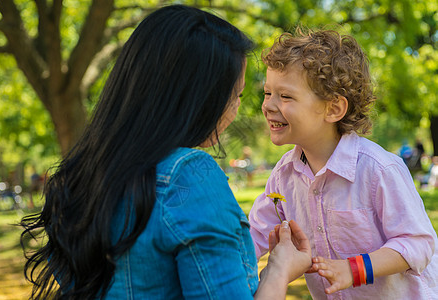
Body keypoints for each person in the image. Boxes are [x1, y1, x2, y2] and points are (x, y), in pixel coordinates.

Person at [20, 5, 312, 300]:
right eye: (235, 94)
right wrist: (279, 269)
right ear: (198, 97)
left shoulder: (81, 176)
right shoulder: (188, 177)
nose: (237, 107)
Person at [248, 27, 438, 299]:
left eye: (285, 96)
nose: (268, 105)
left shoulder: (378, 170)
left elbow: (418, 243)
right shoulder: (283, 177)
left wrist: (354, 269)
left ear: (333, 108)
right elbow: (253, 234)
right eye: (268, 93)